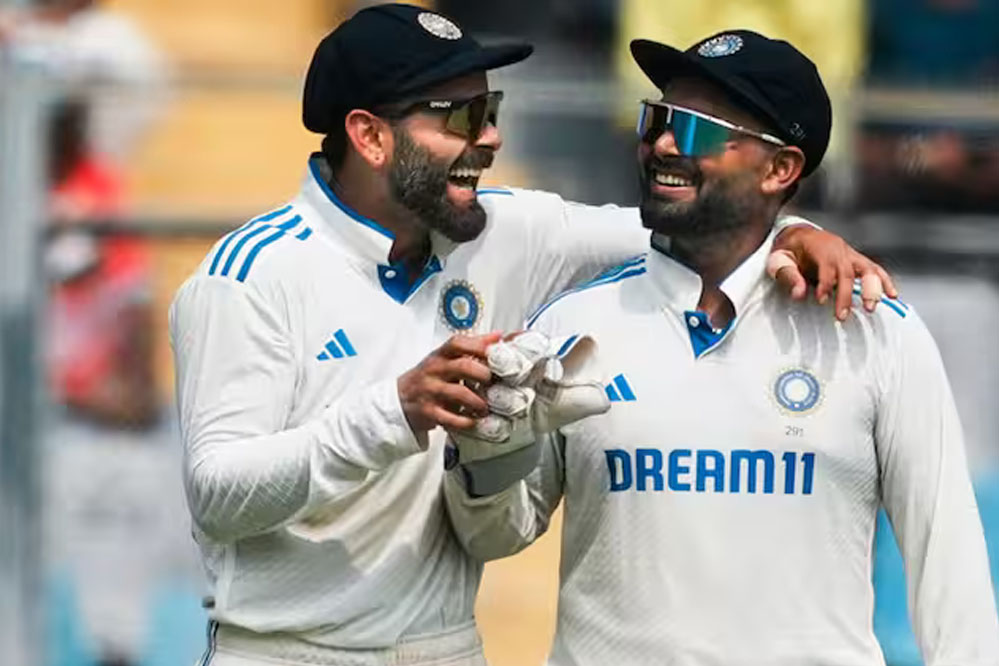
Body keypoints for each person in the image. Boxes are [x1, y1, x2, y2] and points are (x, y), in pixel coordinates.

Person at [169, 7, 894, 666]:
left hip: (446, 649)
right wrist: (398, 410)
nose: (491, 138)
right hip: (283, 652)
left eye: (492, 110)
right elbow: (219, 495)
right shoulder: (251, 275)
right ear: (370, 136)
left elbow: (703, 224)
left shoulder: (504, 230)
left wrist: (795, 231)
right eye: (462, 117)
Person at [444, 29, 999, 665]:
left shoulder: (875, 331)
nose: (664, 145)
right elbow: (493, 536)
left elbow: (948, 565)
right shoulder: (574, 323)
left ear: (780, 168)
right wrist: (490, 451)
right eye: (658, 120)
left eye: (698, 130)